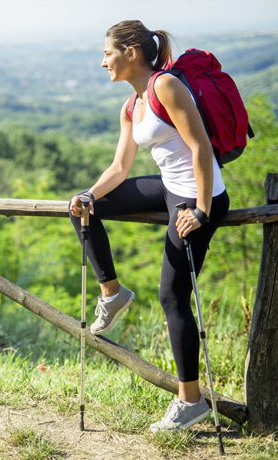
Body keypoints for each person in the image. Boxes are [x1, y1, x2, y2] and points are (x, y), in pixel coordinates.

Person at [68, 20, 229, 432]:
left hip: (198, 195)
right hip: (169, 187)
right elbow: (120, 168)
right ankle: (112, 292)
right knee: (84, 207)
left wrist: (203, 211)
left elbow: (200, 148)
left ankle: (190, 400)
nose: (103, 62)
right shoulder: (132, 103)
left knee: (172, 296)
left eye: (108, 53)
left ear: (131, 54)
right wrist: (89, 192)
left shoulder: (165, 87)